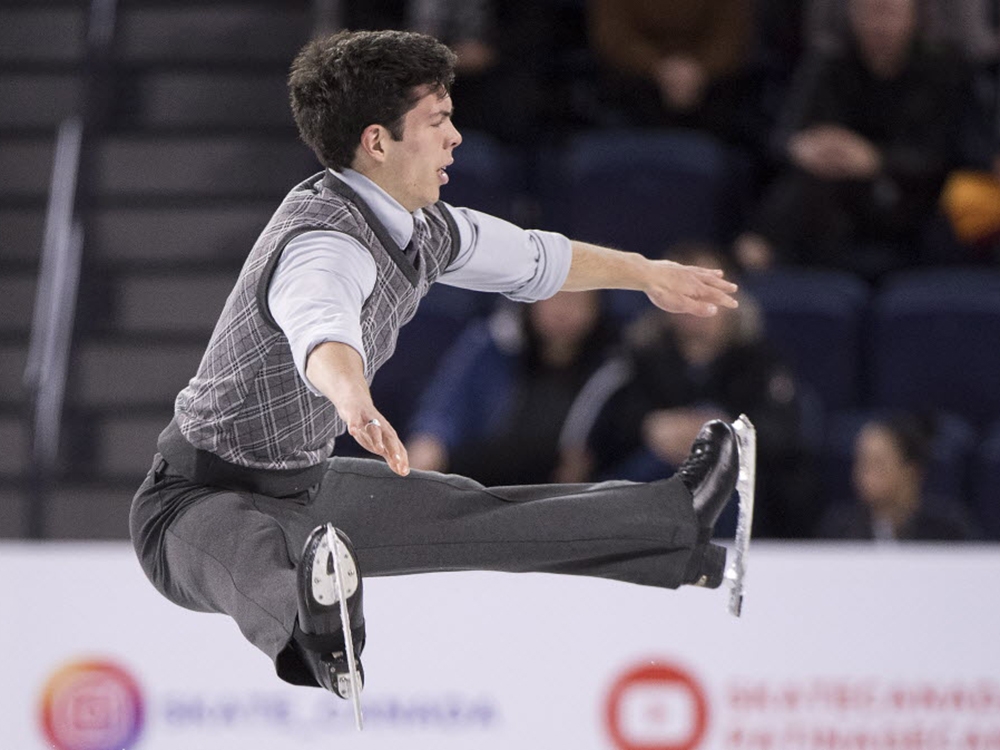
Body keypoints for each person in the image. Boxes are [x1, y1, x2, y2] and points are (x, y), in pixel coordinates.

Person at [128, 30, 742, 701]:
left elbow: (537, 259)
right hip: (189, 506)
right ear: (377, 142)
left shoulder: (427, 228)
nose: (455, 138)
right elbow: (321, 329)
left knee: (477, 514)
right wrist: (353, 400)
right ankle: (317, 633)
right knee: (249, 551)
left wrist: (646, 275)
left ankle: (680, 523)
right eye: (438, 121)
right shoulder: (321, 243)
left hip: (304, 490)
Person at [559, 244, 813, 539]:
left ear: (732, 294)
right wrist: (649, 428)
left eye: (707, 289)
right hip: (653, 479)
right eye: (685, 291)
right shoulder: (638, 358)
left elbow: (784, 432)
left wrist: (726, 435)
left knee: (722, 474)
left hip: (743, 492)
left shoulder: (760, 361)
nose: (695, 303)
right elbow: (601, 428)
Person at [734, 0, 974, 280]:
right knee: (808, 186)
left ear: (915, 17)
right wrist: (806, 147)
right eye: (869, 12)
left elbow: (946, 151)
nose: (878, 24)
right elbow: (784, 136)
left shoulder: (944, 68)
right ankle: (766, 259)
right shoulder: (829, 60)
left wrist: (875, 159)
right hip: (834, 191)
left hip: (913, 196)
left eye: (890, 13)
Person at [406, 290, 616, 485]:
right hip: (479, 478)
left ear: (597, 306)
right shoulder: (493, 344)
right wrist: (429, 442)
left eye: (577, 301)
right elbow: (442, 408)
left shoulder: (615, 366)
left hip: (557, 493)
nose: (563, 311)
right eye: (555, 297)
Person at [818, 414, 978, 541]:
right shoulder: (840, 529)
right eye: (861, 462)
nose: (864, 473)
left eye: (878, 463)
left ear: (911, 470)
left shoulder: (948, 529)